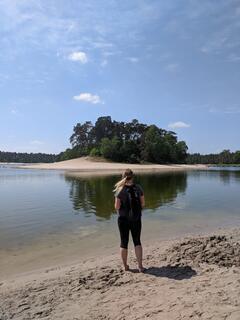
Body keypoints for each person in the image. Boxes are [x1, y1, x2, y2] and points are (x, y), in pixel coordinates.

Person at [114, 169, 145, 272]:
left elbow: (117, 207)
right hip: (136, 218)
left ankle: (125, 266)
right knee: (137, 242)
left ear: (123, 177)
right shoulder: (138, 188)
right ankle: (140, 266)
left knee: (124, 242)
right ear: (133, 177)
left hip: (123, 219)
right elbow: (143, 204)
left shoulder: (119, 190)